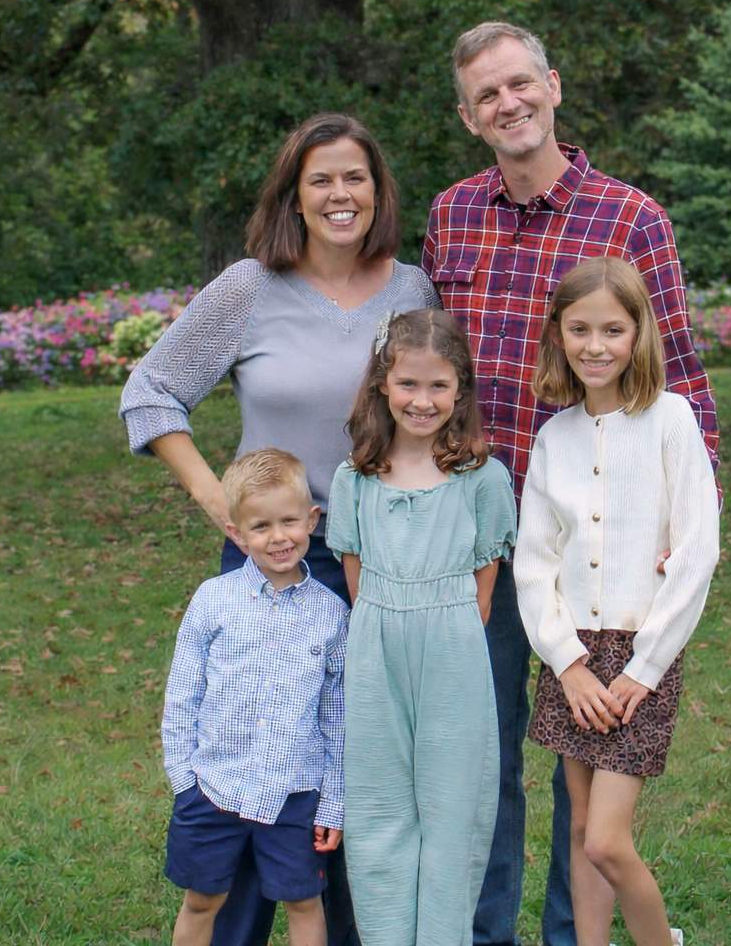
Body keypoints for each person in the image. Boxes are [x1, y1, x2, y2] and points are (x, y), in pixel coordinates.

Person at [421, 21, 720, 946]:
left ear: (552, 85)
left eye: (520, 84)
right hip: (476, 539)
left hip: (599, 549)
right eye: (487, 96)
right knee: (484, 756)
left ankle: (572, 936)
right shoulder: (451, 217)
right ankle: (483, 933)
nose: (508, 104)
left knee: (583, 770)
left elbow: (682, 377)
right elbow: (427, 371)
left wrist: (684, 519)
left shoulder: (630, 218)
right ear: (468, 117)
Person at [122, 112, 441, 946]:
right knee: (251, 757)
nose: (341, 195)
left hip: (384, 562)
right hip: (273, 560)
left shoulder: (413, 290)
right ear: (294, 195)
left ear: (379, 191)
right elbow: (151, 390)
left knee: (345, 770)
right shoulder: (249, 288)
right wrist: (211, 493)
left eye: (356, 177)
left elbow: (437, 408)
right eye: (321, 179)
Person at [515, 258, 719, 946]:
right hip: (572, 655)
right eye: (579, 329)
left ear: (638, 334)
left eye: (612, 329)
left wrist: (644, 667)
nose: (594, 345)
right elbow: (534, 563)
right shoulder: (554, 438)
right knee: (576, 825)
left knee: (607, 838)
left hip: (640, 656)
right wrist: (567, 663)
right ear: (558, 336)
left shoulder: (671, 421)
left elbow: (696, 552)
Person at [325, 309, 517, 946]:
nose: (423, 400)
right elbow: (356, 579)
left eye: (439, 386)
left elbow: (483, 587)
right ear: (383, 382)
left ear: (460, 388)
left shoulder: (482, 479)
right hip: (376, 645)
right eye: (408, 384)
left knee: (452, 805)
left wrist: (441, 624)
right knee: (380, 803)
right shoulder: (355, 478)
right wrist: (389, 622)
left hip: (454, 648)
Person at [161, 449, 350, 946]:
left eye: (289, 521)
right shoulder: (213, 600)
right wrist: (185, 779)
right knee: (202, 901)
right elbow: (183, 694)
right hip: (213, 786)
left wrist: (332, 802)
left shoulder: (332, 614)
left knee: (304, 903)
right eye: (261, 526)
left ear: (313, 519)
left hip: (295, 794)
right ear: (238, 533)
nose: (278, 537)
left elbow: (337, 716)